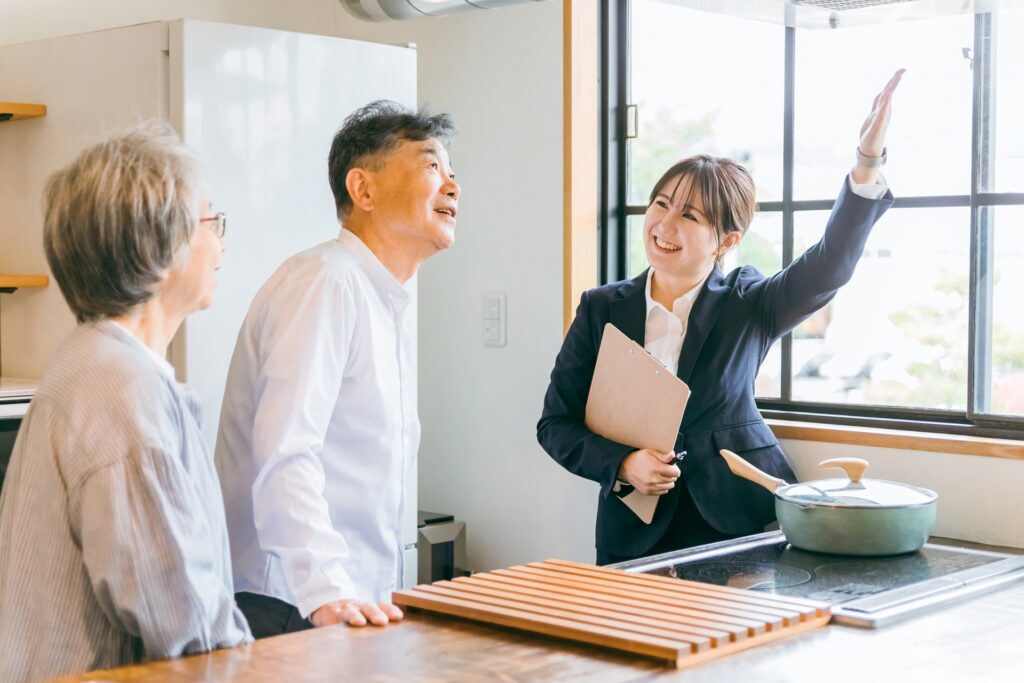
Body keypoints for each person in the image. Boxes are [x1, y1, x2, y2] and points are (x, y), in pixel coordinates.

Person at [537, 71, 904, 565]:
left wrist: (866, 163)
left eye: (689, 216)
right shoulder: (601, 309)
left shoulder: (749, 302)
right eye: (662, 204)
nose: (664, 225)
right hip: (632, 528)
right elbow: (556, 424)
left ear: (726, 241)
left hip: (735, 521)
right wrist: (623, 463)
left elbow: (829, 266)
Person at [0, 126, 251, 682]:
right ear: (156, 249)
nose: (221, 243)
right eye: (210, 221)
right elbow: (187, 624)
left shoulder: (97, 365)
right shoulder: (121, 391)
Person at [216, 100, 459, 637]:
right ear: (362, 189)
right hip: (292, 602)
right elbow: (286, 452)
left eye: (451, 171)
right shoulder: (326, 282)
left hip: (349, 602)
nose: (452, 186)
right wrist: (327, 591)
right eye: (431, 165)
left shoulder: (382, 297)